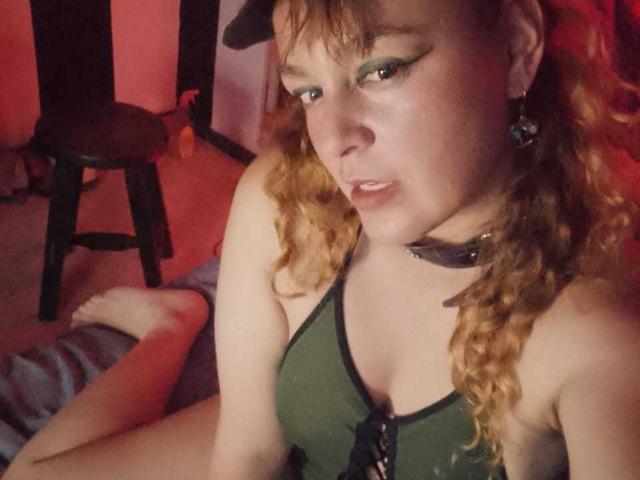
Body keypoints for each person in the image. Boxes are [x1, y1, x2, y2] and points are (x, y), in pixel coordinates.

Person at [5, 0, 640, 479]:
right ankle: (172, 326)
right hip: (295, 418)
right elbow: (248, 453)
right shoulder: (283, 203)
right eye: (308, 90)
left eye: (381, 70)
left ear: (517, 47)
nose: (334, 140)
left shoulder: (593, 336)